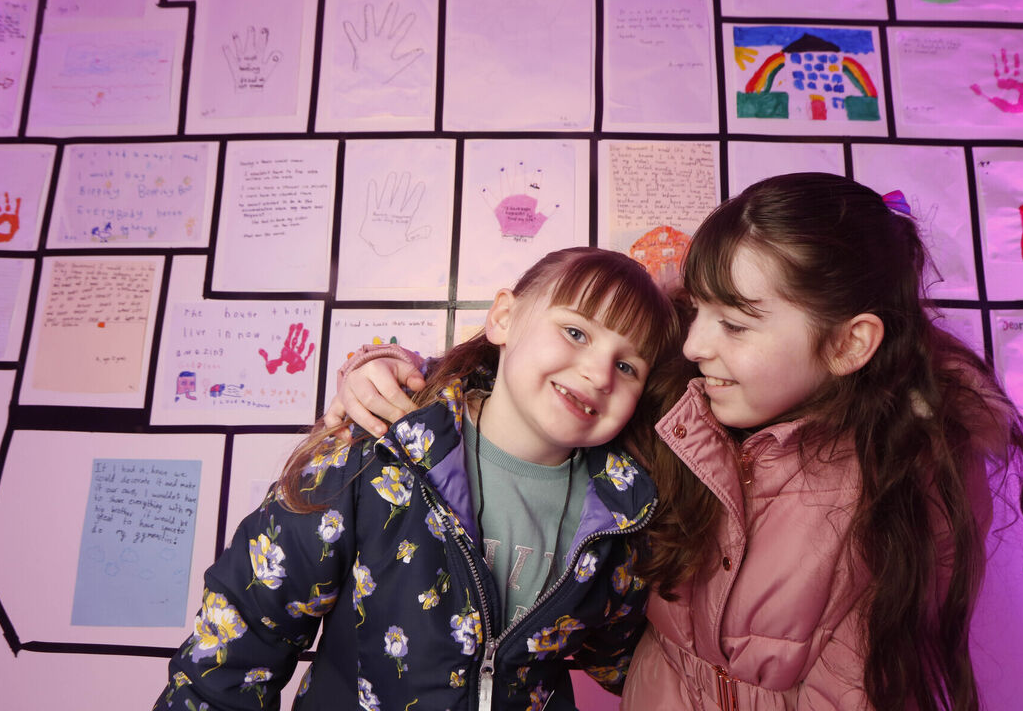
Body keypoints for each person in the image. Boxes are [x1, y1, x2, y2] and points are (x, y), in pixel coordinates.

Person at [330, 173, 1023, 711]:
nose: (698, 341)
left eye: (736, 325)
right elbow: (545, 363)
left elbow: (866, 685)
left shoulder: (909, 471)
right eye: (699, 310)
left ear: (849, 344)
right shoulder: (680, 392)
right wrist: (403, 372)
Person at [155, 247, 685, 711]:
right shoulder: (379, 451)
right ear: (503, 317)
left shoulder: (623, 513)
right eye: (575, 332)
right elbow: (243, 630)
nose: (597, 372)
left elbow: (629, 660)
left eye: (627, 367)